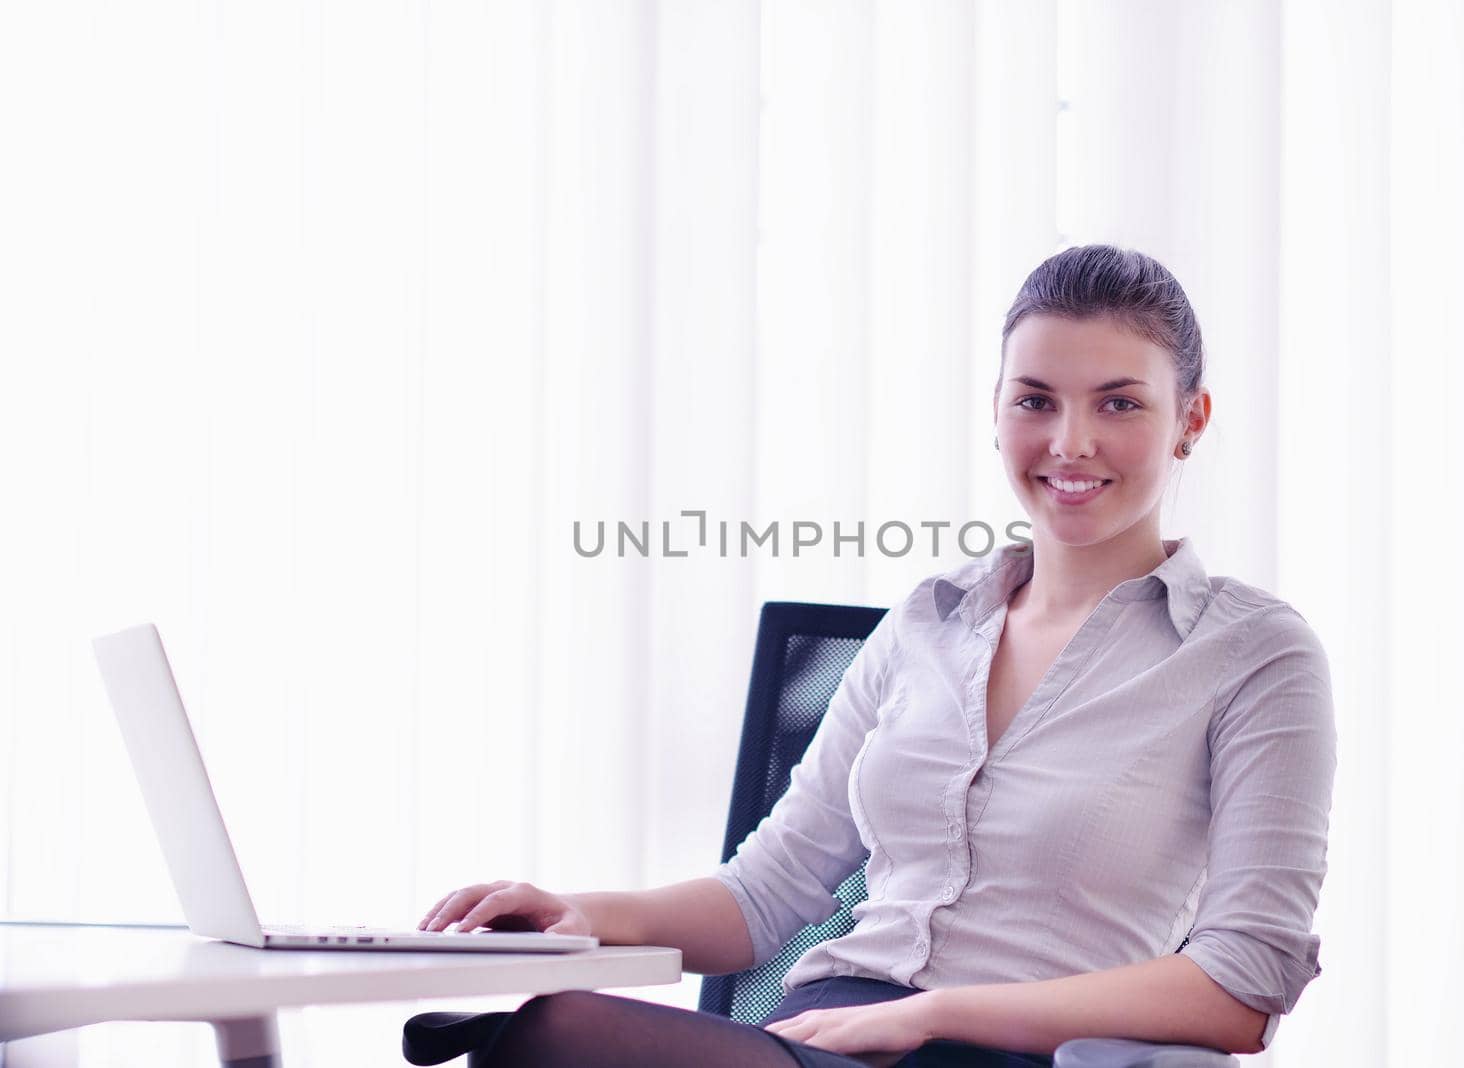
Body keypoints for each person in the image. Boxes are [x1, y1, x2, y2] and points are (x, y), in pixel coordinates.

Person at [416, 245, 1337, 1067]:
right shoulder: (928, 624)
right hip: (823, 1032)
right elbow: (766, 893)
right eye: (1036, 400)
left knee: (563, 1037)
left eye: (1120, 404)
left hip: (1023, 1054)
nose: (1070, 442)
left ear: (1191, 420)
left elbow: (1242, 986)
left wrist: (935, 1015)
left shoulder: (1252, 654)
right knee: (561, 1023)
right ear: (997, 411)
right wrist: (581, 913)